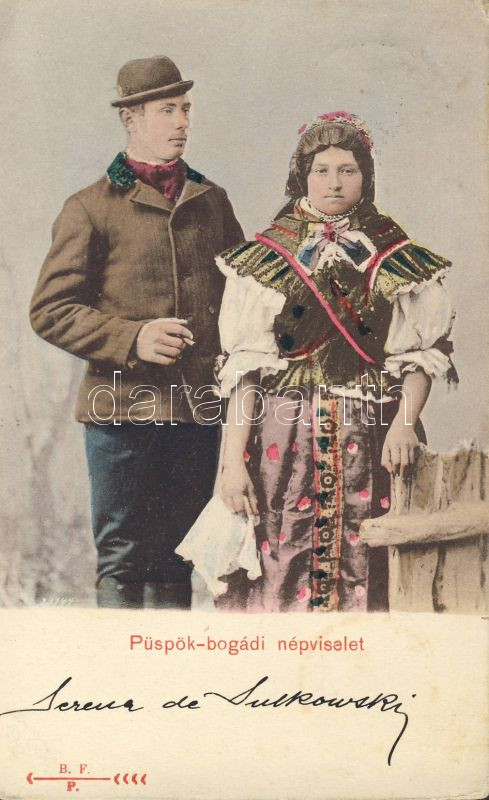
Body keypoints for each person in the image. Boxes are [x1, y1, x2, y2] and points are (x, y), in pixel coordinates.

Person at [214, 111, 456, 612]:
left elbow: (420, 356)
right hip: (284, 437)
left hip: (375, 433)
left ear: (366, 176)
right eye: (321, 170)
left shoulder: (394, 252)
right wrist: (231, 464)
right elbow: (245, 370)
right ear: (302, 177)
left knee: (376, 558)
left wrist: (405, 424)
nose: (334, 182)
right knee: (283, 553)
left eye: (347, 170)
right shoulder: (266, 256)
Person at [29, 55, 243, 609]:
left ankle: (163, 664)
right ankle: (116, 660)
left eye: (186, 108)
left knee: (178, 558)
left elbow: (245, 301)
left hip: (196, 411)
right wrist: (133, 338)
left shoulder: (211, 201)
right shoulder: (90, 208)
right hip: (121, 410)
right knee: (123, 560)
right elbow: (50, 310)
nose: (182, 122)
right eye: (167, 110)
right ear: (130, 118)